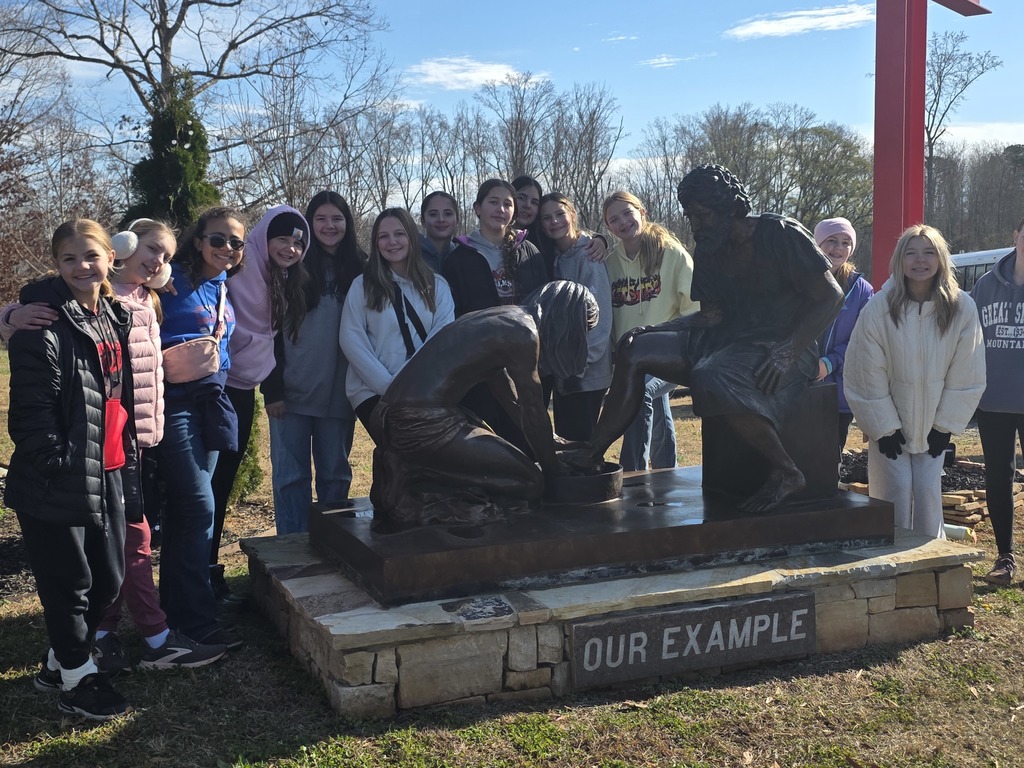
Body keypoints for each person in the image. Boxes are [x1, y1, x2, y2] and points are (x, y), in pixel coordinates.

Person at [573, 165, 844, 514]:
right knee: (634, 347)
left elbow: (831, 296)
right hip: (726, 339)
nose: (696, 225)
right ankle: (592, 454)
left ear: (730, 208)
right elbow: (712, 316)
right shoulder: (709, 248)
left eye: (702, 215)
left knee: (710, 376)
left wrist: (788, 351)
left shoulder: (780, 234)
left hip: (784, 346)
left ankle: (787, 471)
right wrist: (656, 330)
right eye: (690, 216)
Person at [6, 219, 137, 720]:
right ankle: (78, 681)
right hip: (56, 477)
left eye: (91, 255)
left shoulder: (112, 315)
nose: (82, 266)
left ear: (110, 258)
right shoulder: (40, 322)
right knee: (69, 584)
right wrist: (55, 462)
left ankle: (58, 661)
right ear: (56, 263)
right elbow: (30, 412)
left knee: (108, 580)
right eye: (69, 258)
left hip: (108, 466)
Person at [369, 280, 597, 529]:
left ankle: (410, 466)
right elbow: (532, 408)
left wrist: (551, 441)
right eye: (583, 330)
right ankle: (412, 472)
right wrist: (554, 470)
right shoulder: (525, 333)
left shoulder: (503, 319)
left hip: (392, 414)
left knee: (514, 468)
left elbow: (509, 397)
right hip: (420, 423)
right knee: (530, 484)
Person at [845, 224, 986, 539]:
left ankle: (930, 558)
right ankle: (889, 557)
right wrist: (883, 427)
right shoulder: (879, 308)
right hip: (891, 427)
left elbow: (968, 372)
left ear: (940, 258)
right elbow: (865, 371)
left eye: (928, 252)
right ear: (900, 259)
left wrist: (945, 426)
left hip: (933, 425)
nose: (920, 260)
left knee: (927, 496)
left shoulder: (961, 308)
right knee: (892, 497)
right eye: (911, 253)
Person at [210, 205, 309, 600]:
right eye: (282, 238)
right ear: (264, 237)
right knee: (206, 487)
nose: (290, 248)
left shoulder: (280, 278)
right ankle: (196, 575)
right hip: (214, 386)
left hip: (243, 389)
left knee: (222, 482)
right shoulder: (238, 268)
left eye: (298, 243)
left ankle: (209, 570)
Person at [157, 207, 243, 649]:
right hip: (174, 403)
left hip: (210, 401)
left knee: (187, 512)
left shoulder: (222, 285)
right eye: (218, 239)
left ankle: (179, 612)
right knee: (197, 505)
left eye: (236, 243)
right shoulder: (169, 279)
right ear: (198, 241)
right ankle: (195, 621)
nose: (227, 248)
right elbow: (108, 286)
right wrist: (16, 311)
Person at [261, 191, 364, 534]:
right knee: (291, 477)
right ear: (308, 224)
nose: (329, 226)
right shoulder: (290, 265)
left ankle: (334, 544)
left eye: (337, 218)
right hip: (291, 393)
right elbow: (270, 331)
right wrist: (273, 388)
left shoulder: (361, 268)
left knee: (335, 475)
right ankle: (292, 548)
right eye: (320, 218)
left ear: (348, 224)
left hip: (340, 392)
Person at [442, 179, 548, 453]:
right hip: (480, 371)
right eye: (493, 202)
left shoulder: (529, 252)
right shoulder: (459, 259)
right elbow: (454, 316)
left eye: (507, 204)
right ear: (477, 208)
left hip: (525, 366)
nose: (500, 209)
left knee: (529, 442)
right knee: (490, 446)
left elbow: (543, 307)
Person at [602, 190, 698, 471]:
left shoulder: (672, 253)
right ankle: (667, 472)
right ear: (608, 227)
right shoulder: (609, 263)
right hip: (630, 357)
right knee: (656, 405)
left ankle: (632, 472)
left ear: (642, 212)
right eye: (614, 219)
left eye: (627, 213)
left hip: (670, 353)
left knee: (640, 392)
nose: (622, 222)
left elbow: (695, 308)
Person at [340, 208, 455, 432]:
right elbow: (351, 339)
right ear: (376, 243)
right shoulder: (362, 286)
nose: (392, 242)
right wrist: (388, 386)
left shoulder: (437, 286)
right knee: (407, 446)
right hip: (372, 392)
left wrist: (411, 384)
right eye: (383, 236)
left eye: (399, 234)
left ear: (411, 237)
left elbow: (441, 337)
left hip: (425, 390)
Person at [969, 216, 1024, 582]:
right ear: (1016, 235)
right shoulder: (985, 285)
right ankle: (1005, 557)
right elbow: (968, 338)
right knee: (998, 477)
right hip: (994, 401)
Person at [537, 193, 613, 440]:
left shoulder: (588, 256)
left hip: (585, 374)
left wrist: (578, 366)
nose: (554, 221)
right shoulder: (555, 258)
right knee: (566, 441)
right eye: (547, 217)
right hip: (564, 373)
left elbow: (600, 320)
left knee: (581, 445)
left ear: (572, 215)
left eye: (560, 214)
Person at [812, 217, 874, 454]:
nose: (838, 248)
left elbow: (863, 339)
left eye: (846, 242)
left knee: (829, 457)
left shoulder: (861, 290)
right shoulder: (798, 280)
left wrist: (830, 362)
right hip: (797, 387)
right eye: (831, 240)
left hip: (838, 391)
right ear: (817, 243)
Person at [419, 191, 460, 273]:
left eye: (448, 214)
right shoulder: (411, 257)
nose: (441, 219)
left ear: (457, 220)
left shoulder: (462, 257)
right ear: (423, 221)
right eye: (433, 214)